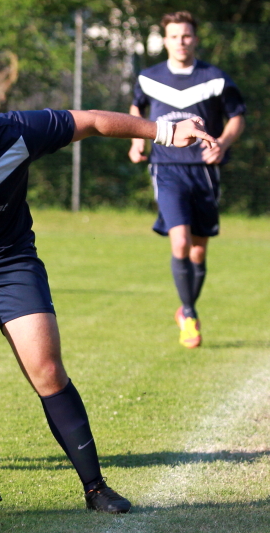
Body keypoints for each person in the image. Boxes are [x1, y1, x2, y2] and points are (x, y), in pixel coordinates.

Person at [0, 92, 216, 512]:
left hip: (11, 264)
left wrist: (166, 131)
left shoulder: (16, 132)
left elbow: (92, 121)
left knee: (47, 370)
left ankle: (95, 488)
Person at [129, 11, 246, 349]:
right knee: (179, 241)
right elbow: (136, 108)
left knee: (198, 250)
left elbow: (237, 116)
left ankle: (185, 308)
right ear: (164, 40)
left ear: (195, 39)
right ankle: (190, 315)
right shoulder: (148, 77)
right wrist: (137, 141)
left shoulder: (215, 78)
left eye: (186, 36)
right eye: (174, 36)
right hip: (166, 168)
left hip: (204, 171)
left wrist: (222, 143)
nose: (181, 42)